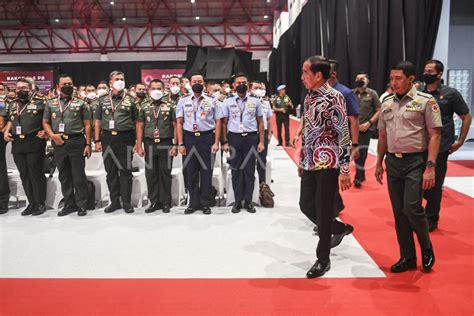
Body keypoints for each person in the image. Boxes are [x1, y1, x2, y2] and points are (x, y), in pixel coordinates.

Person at [375, 61, 441, 273]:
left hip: (416, 162)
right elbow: (383, 135)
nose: (394, 83)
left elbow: (435, 135)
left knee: (411, 207)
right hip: (393, 162)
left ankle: (426, 246)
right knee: (399, 213)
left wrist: (430, 166)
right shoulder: (386, 102)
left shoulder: (425, 101)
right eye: (392, 79)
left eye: (398, 78)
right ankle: (407, 257)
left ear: (411, 79)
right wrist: (378, 161)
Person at [293, 55, 352, 278]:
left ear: (318, 75)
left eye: (305, 72)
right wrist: (302, 159)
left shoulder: (335, 98)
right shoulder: (309, 97)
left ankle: (323, 259)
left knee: (323, 208)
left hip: (328, 162)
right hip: (310, 161)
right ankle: (338, 228)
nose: (302, 77)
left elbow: (343, 134)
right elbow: (308, 130)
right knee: (306, 205)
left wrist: (345, 169)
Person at [422, 59, 471, 231]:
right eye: (425, 71)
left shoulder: (450, 94)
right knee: (417, 182)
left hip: (441, 145)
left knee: (435, 183)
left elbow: (466, 116)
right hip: (419, 144)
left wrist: (460, 141)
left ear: (439, 74)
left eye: (430, 71)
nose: (426, 74)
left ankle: (431, 219)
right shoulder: (419, 92)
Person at [42, 74, 92, 217]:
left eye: (70, 83)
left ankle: (82, 204)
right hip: (58, 143)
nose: (67, 86)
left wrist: (88, 144)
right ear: (58, 86)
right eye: (64, 84)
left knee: (78, 175)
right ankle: (69, 204)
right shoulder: (50, 103)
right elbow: (45, 122)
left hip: (77, 141)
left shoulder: (81, 103)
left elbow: (88, 125)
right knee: (64, 176)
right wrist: (52, 136)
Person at [176, 74, 222, 215]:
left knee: (206, 171)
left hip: (207, 138)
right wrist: (180, 143)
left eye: (200, 81)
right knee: (191, 171)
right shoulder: (183, 101)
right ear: (190, 83)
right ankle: (193, 202)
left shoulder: (212, 101)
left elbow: (218, 121)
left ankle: (205, 203)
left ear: (204, 83)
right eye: (194, 81)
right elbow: (179, 122)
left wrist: (216, 142)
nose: (197, 83)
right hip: (189, 139)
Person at [93, 71, 138, 214]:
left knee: (125, 171)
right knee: (110, 172)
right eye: (117, 79)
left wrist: (137, 141)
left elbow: (137, 122)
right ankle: (114, 202)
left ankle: (126, 202)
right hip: (107, 138)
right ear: (111, 83)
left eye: (122, 79)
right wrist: (97, 140)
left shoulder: (132, 100)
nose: (120, 81)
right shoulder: (102, 100)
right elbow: (98, 121)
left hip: (125, 138)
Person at [3, 78, 48, 216]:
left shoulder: (41, 102)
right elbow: (11, 119)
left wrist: (47, 131)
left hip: (34, 140)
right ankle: (31, 202)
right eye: (18, 88)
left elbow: (49, 119)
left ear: (30, 89)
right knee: (24, 174)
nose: (20, 90)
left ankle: (40, 202)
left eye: (24, 88)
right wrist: (6, 130)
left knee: (35, 173)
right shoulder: (11, 104)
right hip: (18, 142)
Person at [222, 74, 265, 213]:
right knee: (236, 171)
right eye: (238, 82)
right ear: (234, 85)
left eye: (244, 82)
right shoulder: (227, 102)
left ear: (248, 84)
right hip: (234, 138)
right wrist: (225, 141)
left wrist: (262, 141)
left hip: (251, 138)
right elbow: (224, 123)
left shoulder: (255, 101)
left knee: (249, 171)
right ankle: (237, 201)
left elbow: (260, 122)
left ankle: (248, 201)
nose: (241, 84)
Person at [136, 79, 177, 213]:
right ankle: (154, 202)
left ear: (164, 90)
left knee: (165, 173)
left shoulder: (170, 105)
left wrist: (175, 144)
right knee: (151, 173)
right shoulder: (144, 106)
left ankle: (166, 202)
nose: (156, 91)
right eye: (153, 88)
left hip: (166, 142)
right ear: (148, 90)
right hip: (149, 143)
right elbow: (140, 126)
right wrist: (139, 145)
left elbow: (175, 126)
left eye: (159, 88)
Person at [328, 59, 360, 216]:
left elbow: (353, 120)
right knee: (327, 179)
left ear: (333, 73)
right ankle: (336, 205)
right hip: (324, 143)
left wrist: (355, 145)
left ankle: (331, 213)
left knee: (330, 178)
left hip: (339, 143)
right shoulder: (320, 92)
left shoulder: (345, 92)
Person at [353, 72, 381, 187]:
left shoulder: (372, 93)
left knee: (362, 153)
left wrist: (369, 123)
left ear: (367, 81)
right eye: (357, 78)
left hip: (366, 128)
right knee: (355, 151)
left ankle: (358, 177)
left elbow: (379, 110)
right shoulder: (351, 93)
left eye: (362, 79)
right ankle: (361, 174)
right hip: (353, 128)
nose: (359, 80)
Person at [250, 80, 273, 185]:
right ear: (250, 89)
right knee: (249, 160)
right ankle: (251, 184)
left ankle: (262, 183)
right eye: (256, 88)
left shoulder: (265, 103)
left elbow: (268, 119)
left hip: (262, 133)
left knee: (261, 159)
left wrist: (269, 134)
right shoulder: (247, 102)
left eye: (260, 88)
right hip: (251, 133)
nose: (259, 90)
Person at [0, 84, 10, 214]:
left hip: (1, 136)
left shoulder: (9, 104)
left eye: (1, 90)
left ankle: (2, 202)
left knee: (1, 170)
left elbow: (10, 120)